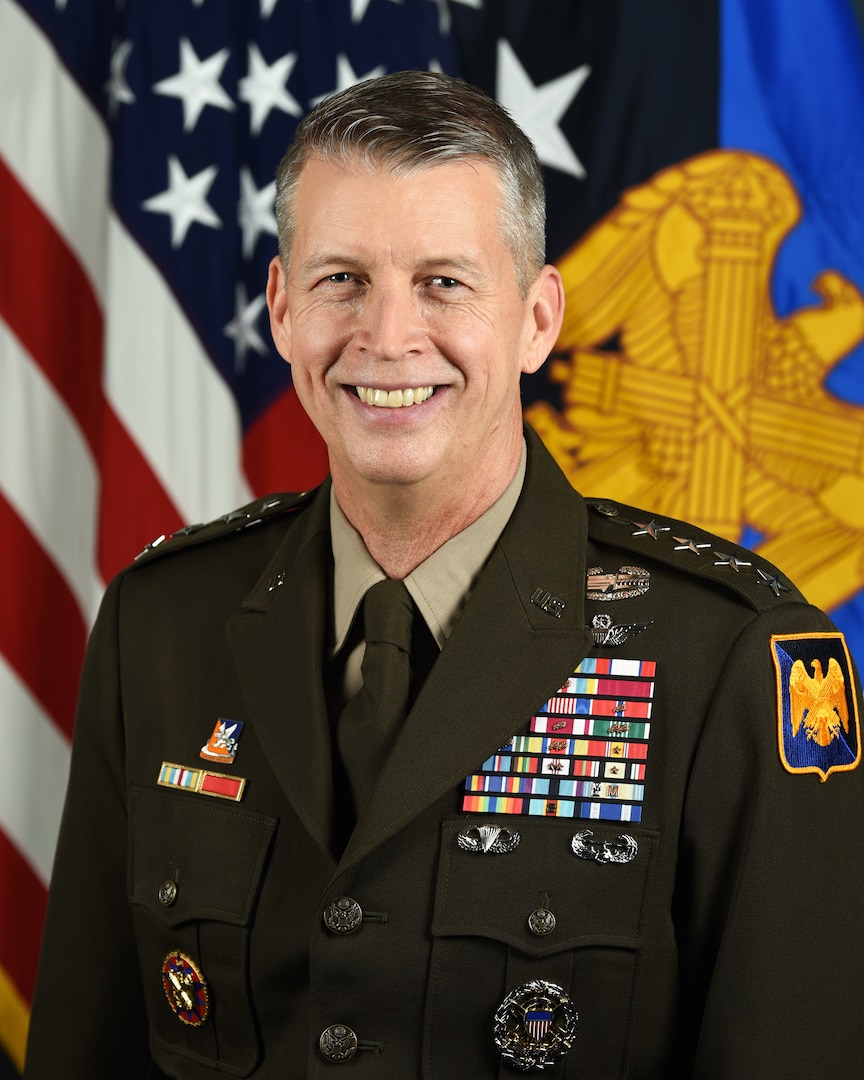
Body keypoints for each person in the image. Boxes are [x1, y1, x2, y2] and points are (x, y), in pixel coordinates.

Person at [25, 70, 864, 1079]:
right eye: (342, 279)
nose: (387, 337)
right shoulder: (161, 625)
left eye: (443, 282)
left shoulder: (728, 652)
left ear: (537, 318)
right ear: (283, 311)